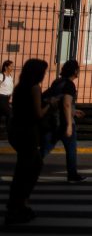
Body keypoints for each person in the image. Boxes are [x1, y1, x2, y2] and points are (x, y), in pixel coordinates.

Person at [4, 59, 58, 225]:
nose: (44, 75)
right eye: (43, 71)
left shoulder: (20, 87)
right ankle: (17, 205)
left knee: (29, 166)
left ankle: (18, 204)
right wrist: (51, 105)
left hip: (17, 130)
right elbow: (38, 114)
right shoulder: (34, 88)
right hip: (28, 132)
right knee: (28, 168)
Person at [41, 59, 87, 182]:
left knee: (45, 148)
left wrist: (74, 112)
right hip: (64, 122)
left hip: (53, 121)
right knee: (71, 150)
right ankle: (72, 175)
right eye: (78, 69)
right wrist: (69, 125)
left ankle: (28, 169)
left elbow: (59, 102)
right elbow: (66, 103)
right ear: (75, 71)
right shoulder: (70, 85)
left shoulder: (57, 82)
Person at [0, 60, 14, 131]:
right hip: (1, 98)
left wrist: (11, 97)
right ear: (6, 67)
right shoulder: (1, 76)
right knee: (10, 113)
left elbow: (10, 88)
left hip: (7, 99)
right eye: (11, 66)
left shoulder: (10, 77)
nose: (12, 68)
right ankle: (8, 131)